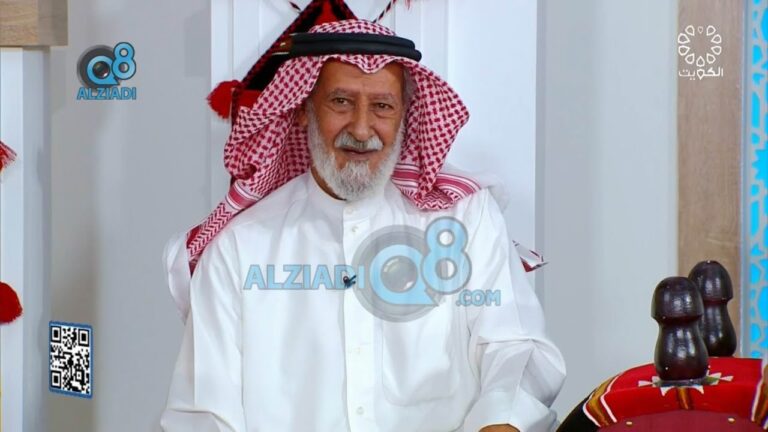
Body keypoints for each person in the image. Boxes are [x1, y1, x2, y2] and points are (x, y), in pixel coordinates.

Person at [160, 19, 565, 432]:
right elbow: (203, 412)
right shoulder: (238, 248)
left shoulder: (467, 218)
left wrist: (499, 419)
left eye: (382, 106)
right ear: (302, 111)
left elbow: (516, 348)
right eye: (341, 102)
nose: (360, 128)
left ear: (405, 116)